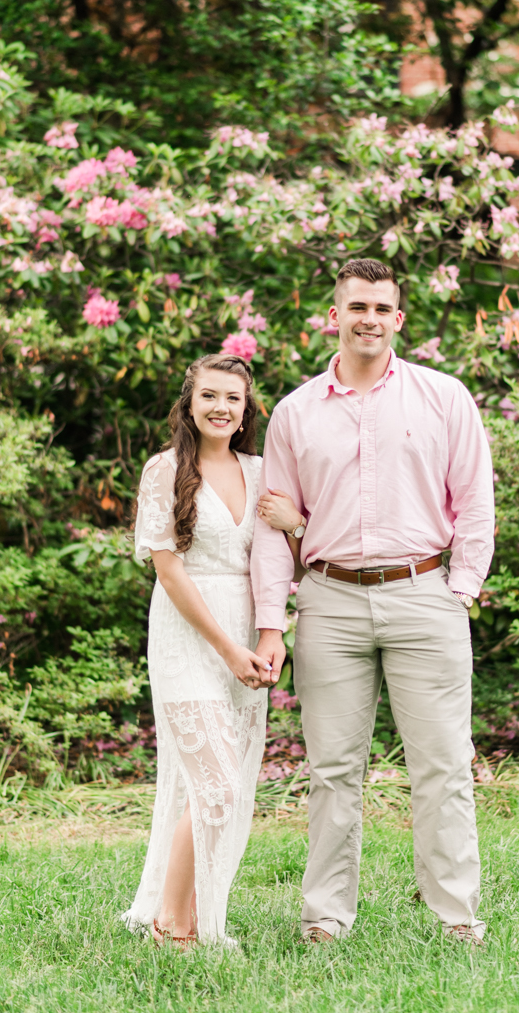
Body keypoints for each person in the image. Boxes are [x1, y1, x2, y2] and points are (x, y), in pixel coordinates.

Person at [252, 258, 495, 947]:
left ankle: (457, 917)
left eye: (381, 308)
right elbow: (276, 531)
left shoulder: (444, 397)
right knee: (331, 769)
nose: (369, 318)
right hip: (328, 601)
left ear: (399, 317)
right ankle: (325, 917)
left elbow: (475, 500)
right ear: (334, 315)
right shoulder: (295, 413)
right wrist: (273, 621)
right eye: (356, 306)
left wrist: (461, 590)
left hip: (425, 595)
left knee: (442, 763)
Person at [123, 353, 302, 948]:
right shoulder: (164, 469)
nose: (222, 408)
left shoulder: (260, 470)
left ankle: (189, 915)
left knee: (229, 785)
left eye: (234, 398)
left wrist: (295, 524)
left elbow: (285, 560)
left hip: (248, 631)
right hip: (188, 633)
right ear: (190, 403)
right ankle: (171, 925)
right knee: (215, 784)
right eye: (211, 396)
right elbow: (170, 573)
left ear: (247, 408)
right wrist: (229, 649)